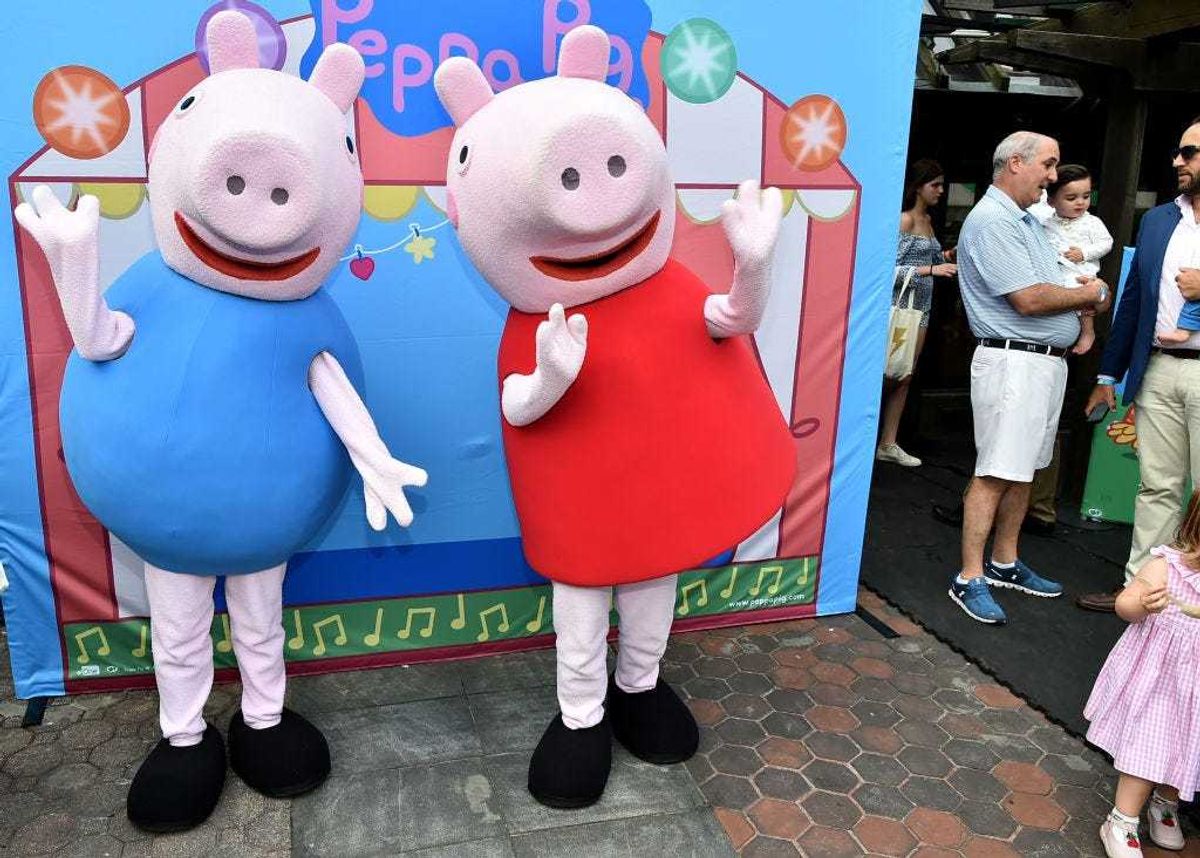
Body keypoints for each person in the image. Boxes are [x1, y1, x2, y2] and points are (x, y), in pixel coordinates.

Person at [949, 131, 1111, 624]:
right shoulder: (994, 220)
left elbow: (1052, 286)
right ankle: (969, 577)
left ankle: (1004, 562)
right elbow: (1030, 298)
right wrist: (1093, 294)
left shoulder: (1025, 220)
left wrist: (1086, 295)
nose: (1052, 176)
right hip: (1013, 362)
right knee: (996, 471)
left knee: (1024, 469)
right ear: (1015, 163)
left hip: (1040, 363)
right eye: (1048, 164)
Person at [1079, 117, 1200, 613]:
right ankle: (1140, 592)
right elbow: (1131, 301)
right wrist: (1108, 374)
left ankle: (1192, 608)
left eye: (1188, 152)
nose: (1176, 161)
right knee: (1157, 487)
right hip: (1157, 368)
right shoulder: (1158, 220)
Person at [1083, 489, 1200, 857]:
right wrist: (1143, 604)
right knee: (1152, 744)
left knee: (1188, 746)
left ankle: (1165, 803)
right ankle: (1122, 819)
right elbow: (1125, 604)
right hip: (1162, 681)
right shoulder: (1168, 567)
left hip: (1195, 690)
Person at [877, 159, 957, 467]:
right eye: (934, 184)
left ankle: (888, 442)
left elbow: (934, 258)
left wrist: (947, 256)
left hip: (920, 309)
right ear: (918, 187)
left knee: (905, 374)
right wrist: (932, 270)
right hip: (899, 308)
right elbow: (887, 270)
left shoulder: (928, 221)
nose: (940, 190)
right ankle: (865, 435)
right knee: (887, 372)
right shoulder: (906, 220)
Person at [1039, 164, 1113, 355]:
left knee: (1080, 292)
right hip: (1056, 272)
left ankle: (1088, 332)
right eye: (1071, 198)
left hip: (1080, 271)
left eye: (1086, 196)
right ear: (1051, 201)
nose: (1080, 202)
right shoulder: (1046, 223)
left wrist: (1084, 253)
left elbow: (1107, 243)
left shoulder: (1092, 222)